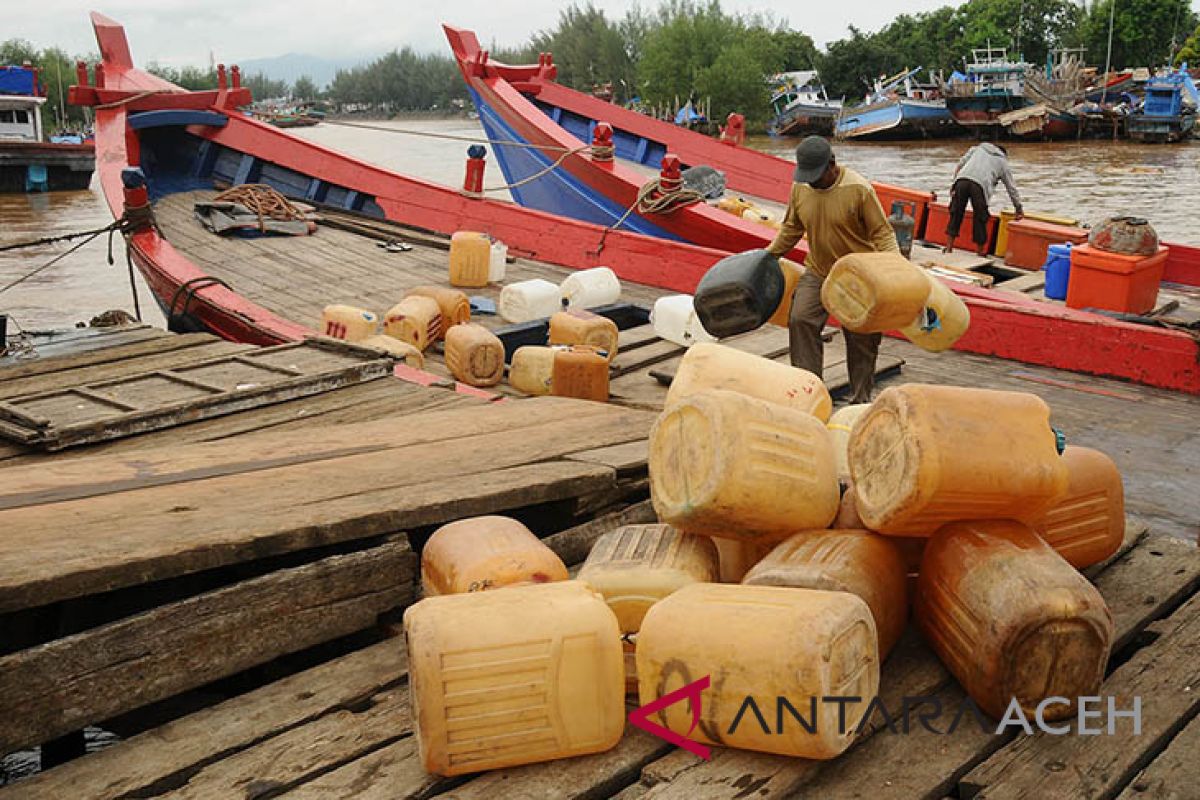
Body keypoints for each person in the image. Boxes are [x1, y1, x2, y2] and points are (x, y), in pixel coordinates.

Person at [766, 136, 899, 405]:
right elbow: (792, 228)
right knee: (800, 319)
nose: (812, 182)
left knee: (861, 336)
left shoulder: (858, 189)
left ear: (832, 165)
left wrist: (895, 269)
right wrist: (767, 256)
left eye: (817, 175)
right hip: (819, 270)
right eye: (807, 176)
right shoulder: (801, 189)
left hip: (858, 277)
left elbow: (882, 233)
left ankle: (860, 398)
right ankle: (809, 393)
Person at [944, 142, 1024, 255]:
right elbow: (1011, 188)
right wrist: (1018, 208)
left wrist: (954, 184)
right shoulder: (1002, 162)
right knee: (980, 218)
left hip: (962, 180)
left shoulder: (976, 149)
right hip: (979, 186)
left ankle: (948, 248)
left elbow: (960, 165)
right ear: (1003, 154)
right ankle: (980, 252)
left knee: (956, 213)